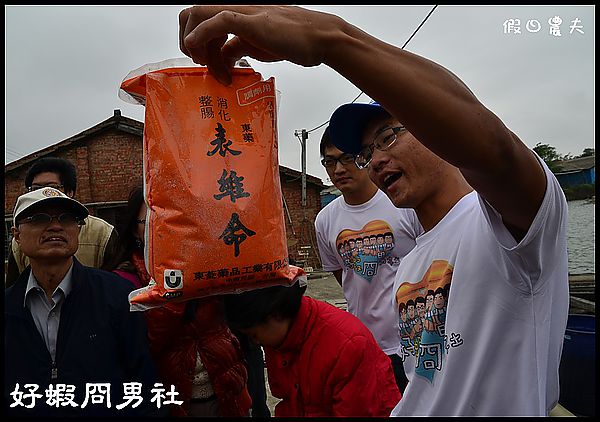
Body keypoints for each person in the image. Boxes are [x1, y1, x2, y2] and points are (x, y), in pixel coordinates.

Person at [177, 6, 569, 416]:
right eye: (368, 152)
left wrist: (333, 39)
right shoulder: (412, 262)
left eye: (387, 137)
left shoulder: (510, 228)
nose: (375, 160)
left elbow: (496, 151)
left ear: (434, 127)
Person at [4, 187, 159, 417]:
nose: (55, 226)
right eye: (39, 218)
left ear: (78, 229)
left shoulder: (117, 295)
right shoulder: (9, 307)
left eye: (67, 218)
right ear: (16, 235)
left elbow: (144, 383)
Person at [112, 186, 252, 417]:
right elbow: (146, 344)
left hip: (227, 395)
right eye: (152, 220)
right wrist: (175, 292)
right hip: (172, 404)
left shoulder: (208, 265)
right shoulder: (125, 281)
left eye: (172, 218)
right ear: (135, 231)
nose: (164, 227)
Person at [314, 126, 422, 394]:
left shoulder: (403, 204)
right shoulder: (325, 221)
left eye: (346, 158)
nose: (338, 169)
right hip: (364, 345)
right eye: (329, 161)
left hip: (415, 342)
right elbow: (344, 277)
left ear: (364, 158)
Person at [223, 280, 401, 417]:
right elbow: (289, 402)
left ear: (275, 315)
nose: (255, 343)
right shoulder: (280, 337)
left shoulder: (347, 345)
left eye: (254, 335)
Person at [6, 157, 122, 287]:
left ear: (70, 192)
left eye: (51, 188)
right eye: (35, 189)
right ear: (17, 235)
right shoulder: (21, 238)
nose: (55, 227)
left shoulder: (102, 232)